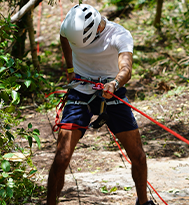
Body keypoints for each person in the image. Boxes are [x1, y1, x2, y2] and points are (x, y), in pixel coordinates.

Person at [47, 4, 155, 205]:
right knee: (61, 158)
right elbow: (64, 36)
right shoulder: (71, 26)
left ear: (96, 28)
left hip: (112, 91)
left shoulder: (119, 35)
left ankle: (143, 201)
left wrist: (114, 83)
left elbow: (126, 68)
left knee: (138, 156)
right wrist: (70, 68)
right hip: (80, 89)